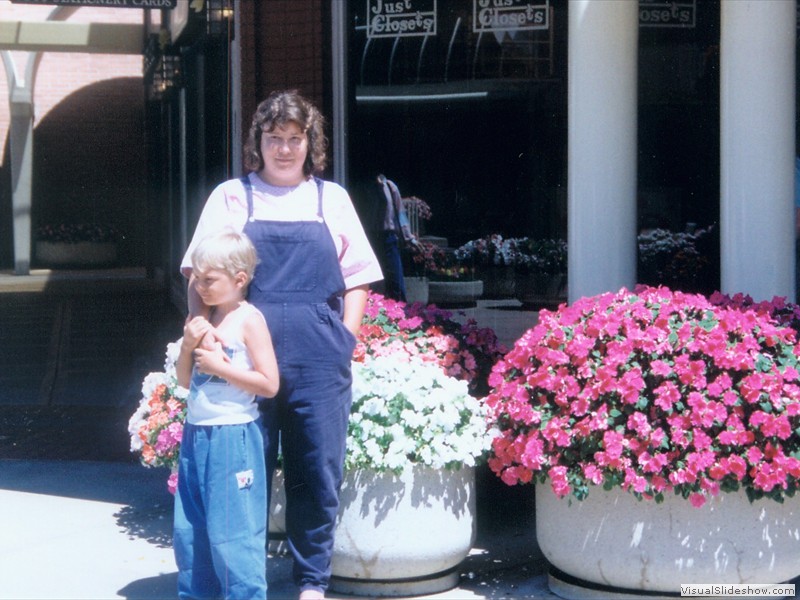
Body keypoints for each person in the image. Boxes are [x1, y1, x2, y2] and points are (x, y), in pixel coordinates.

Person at [180, 90, 382, 600]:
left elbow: (357, 278)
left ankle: (312, 581)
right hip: (245, 359)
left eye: (295, 139)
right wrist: (204, 332)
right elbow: (198, 272)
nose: (285, 149)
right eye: (275, 139)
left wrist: (345, 340)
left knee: (316, 470)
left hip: (318, 358)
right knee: (244, 473)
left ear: (310, 143)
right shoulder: (232, 197)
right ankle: (243, 583)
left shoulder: (329, 198)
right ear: (259, 142)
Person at [173, 229, 280, 600]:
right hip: (196, 433)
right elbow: (185, 381)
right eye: (196, 279)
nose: (200, 287)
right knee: (191, 531)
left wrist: (222, 368)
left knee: (234, 534)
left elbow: (269, 384)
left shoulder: (249, 321)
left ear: (240, 279)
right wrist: (188, 345)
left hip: (233, 437)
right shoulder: (201, 321)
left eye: (209, 280)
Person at [367, 174, 419, 302]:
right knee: (373, 285)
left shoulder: (390, 187)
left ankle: (401, 316)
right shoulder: (364, 187)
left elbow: (400, 213)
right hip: (370, 239)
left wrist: (409, 238)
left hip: (388, 238)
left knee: (396, 282)